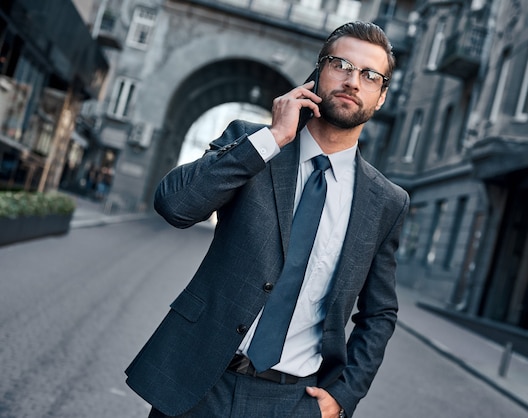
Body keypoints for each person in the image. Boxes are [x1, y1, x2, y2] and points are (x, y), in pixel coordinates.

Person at [125, 21, 409, 418]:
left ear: (381, 96)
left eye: (369, 75)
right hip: (200, 384)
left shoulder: (387, 203)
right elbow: (175, 205)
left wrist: (343, 397)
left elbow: (379, 313)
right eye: (341, 65)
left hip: (292, 402)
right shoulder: (253, 145)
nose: (352, 81)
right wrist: (272, 138)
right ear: (317, 73)